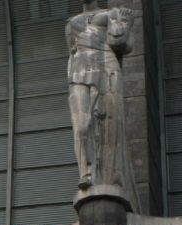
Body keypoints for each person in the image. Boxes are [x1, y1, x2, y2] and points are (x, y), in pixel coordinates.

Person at [67, 0, 135, 196]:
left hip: (106, 67)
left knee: (108, 124)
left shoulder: (112, 13)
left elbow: (125, 45)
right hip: (78, 72)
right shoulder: (71, 23)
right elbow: (71, 53)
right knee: (81, 125)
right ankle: (85, 172)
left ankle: (105, 176)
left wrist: (125, 23)